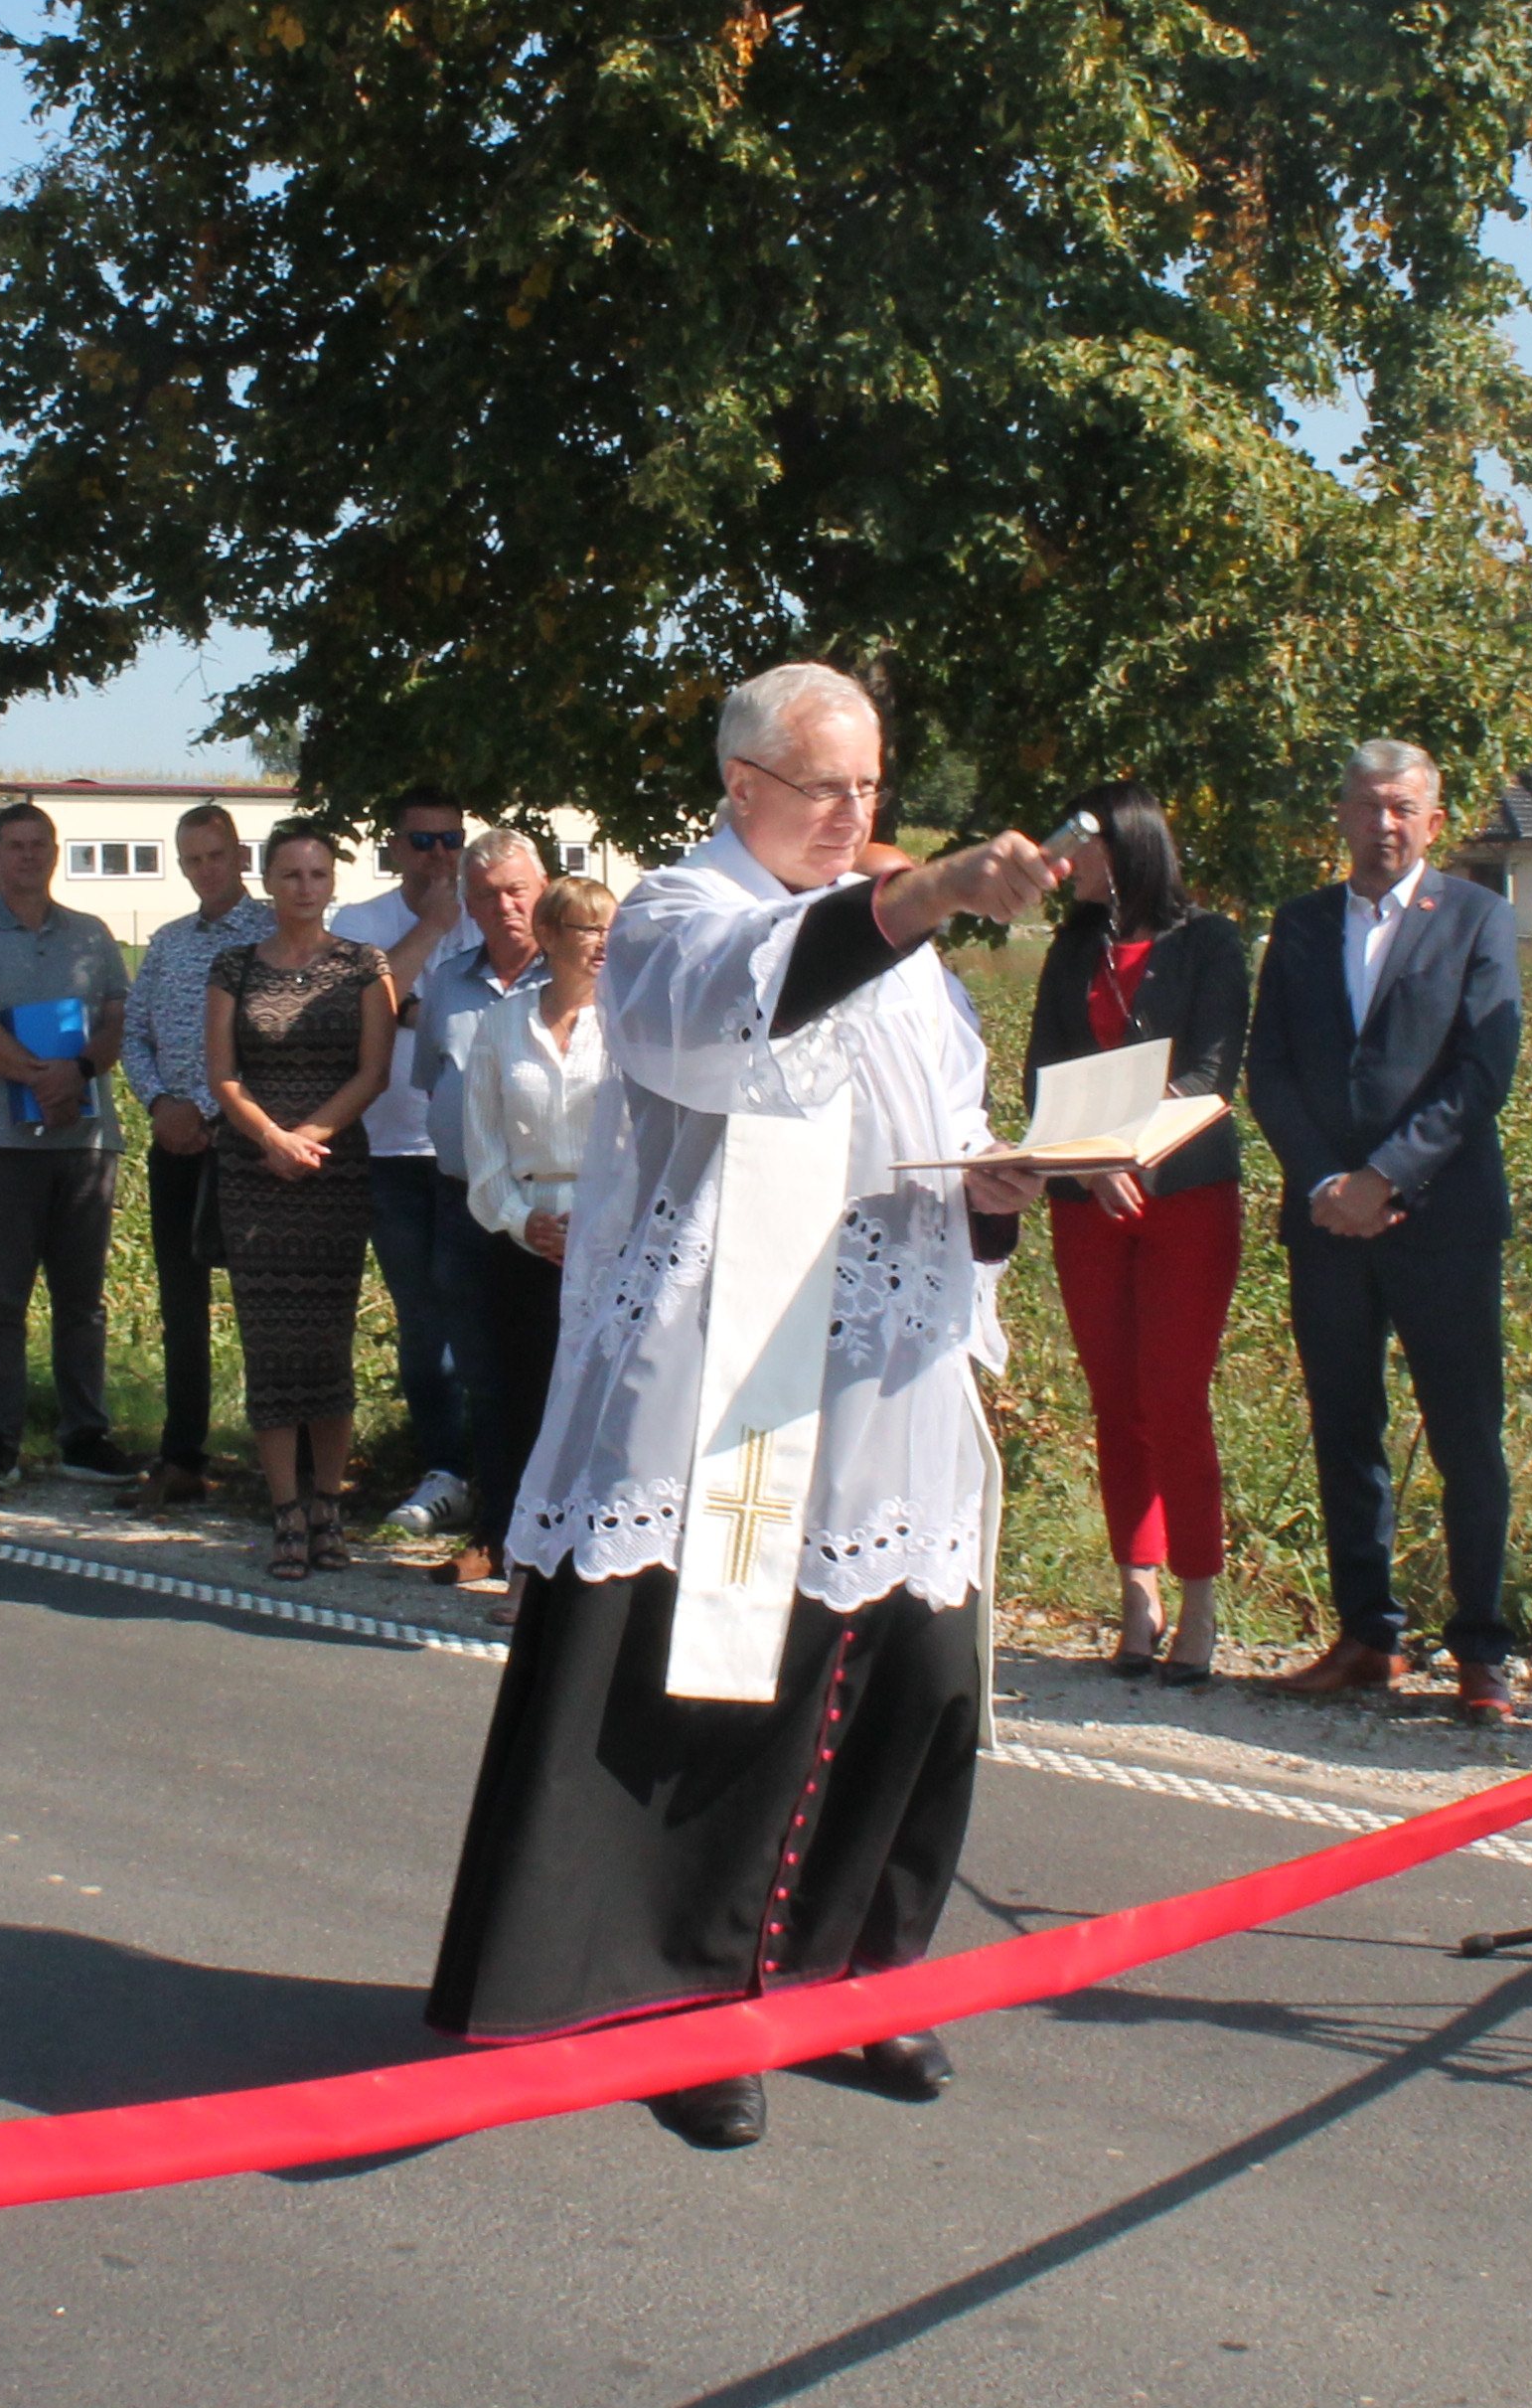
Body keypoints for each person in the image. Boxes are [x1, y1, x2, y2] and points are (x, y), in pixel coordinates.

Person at [426, 665, 1051, 2153]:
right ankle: (686, 2009)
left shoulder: (913, 962)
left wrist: (1006, 1182)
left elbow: (938, 1126)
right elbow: (720, 1016)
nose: (855, 816)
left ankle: (849, 1978)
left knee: (917, 1681)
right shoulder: (674, 912)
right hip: (733, 1390)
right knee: (721, 1699)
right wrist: (921, 894)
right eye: (827, 788)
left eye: (872, 789)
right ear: (743, 785)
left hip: (891, 1376)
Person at [1243, 739, 1527, 1721]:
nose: (1384, 824)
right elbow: (1268, 1068)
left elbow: (1481, 1074)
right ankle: (1369, 1633)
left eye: (1403, 807)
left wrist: (1384, 1176)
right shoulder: (1302, 923)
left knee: (1465, 1437)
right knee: (1345, 1429)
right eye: (1367, 806)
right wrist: (1327, 1180)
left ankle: (1480, 1646)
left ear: (1434, 820)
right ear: (1341, 815)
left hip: (1441, 1221)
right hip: (1325, 1222)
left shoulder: (1479, 919)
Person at [1021, 784, 1248, 1685]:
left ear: (1121, 849)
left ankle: (1200, 1598)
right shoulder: (1070, 948)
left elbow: (1210, 1070)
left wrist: (1131, 1152)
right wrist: (1085, 1162)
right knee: (1117, 1402)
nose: (1060, 862)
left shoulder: (1209, 941)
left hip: (1184, 1195)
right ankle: (1137, 1596)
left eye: (1076, 845)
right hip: (1088, 1203)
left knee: (1174, 1397)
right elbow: (1042, 1074)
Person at [0, 802, 148, 1498]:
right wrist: (37, 1077)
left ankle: (85, 1436)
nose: (27, 857)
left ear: (55, 854)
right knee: (0, 1300)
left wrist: (76, 1075)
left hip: (82, 1144)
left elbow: (118, 1017)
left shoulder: (91, 935)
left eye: (39, 845)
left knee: (82, 1300)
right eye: (14, 847)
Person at [207, 822, 397, 1577]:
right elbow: (222, 1076)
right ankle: (284, 1510)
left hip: (332, 1172)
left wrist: (308, 1138)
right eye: (290, 875)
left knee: (326, 1341)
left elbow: (373, 1070)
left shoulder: (362, 966)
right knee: (270, 1345)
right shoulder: (233, 967)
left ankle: (328, 1505)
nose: (305, 888)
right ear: (268, 880)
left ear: (331, 882)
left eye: (317, 874)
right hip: (254, 1177)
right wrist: (270, 1141)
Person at [455, 870, 613, 1592]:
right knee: (522, 1403)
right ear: (547, 937)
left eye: (613, 927)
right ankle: (521, 1565)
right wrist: (524, 1224)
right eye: (588, 928)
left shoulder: (629, 1024)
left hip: (609, 1234)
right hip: (523, 1238)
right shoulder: (498, 1026)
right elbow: (483, 1151)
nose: (604, 943)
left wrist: (600, 1223)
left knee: (598, 1407)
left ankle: (589, 1572)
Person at [119, 804, 277, 1506]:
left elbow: (278, 1042)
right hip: (174, 1143)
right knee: (181, 1305)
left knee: (263, 1305)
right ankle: (182, 1456)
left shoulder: (275, 934)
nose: (205, 871)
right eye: (192, 860)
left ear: (239, 856)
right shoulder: (169, 943)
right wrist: (161, 1105)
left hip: (245, 1144)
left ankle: (282, 1468)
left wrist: (214, 1116)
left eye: (216, 856)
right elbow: (134, 1035)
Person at [332, 787, 478, 1529]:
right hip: (391, 1152)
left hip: (476, 1153)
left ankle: (494, 1475)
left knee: (483, 1319)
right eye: (422, 842)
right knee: (424, 1323)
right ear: (393, 847)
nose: (440, 856)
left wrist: (415, 1011)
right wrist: (433, 927)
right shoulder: (362, 922)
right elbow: (361, 995)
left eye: (451, 839)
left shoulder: (494, 912)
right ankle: (443, 1467)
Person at [399, 827, 550, 1536]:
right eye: (487, 896)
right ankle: (494, 1537)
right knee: (482, 1379)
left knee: (554, 1378)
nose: (504, 907)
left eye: (517, 890)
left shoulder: (583, 979)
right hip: (467, 1207)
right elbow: (436, 1083)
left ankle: (550, 1547)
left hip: (556, 1213)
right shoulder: (449, 986)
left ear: (542, 891)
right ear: (466, 903)